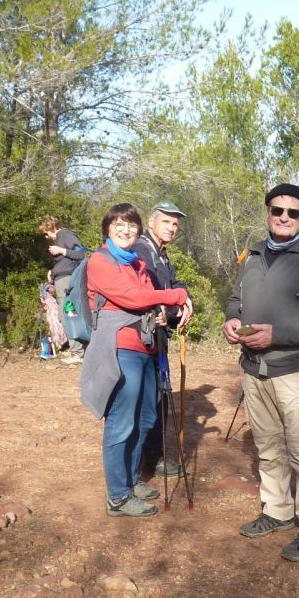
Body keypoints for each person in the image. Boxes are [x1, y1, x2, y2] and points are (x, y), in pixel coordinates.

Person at [223, 183, 299, 562]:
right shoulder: (253, 255)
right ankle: (277, 511)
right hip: (255, 371)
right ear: (267, 212)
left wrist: (278, 334)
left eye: (293, 213)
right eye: (277, 210)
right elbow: (234, 298)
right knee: (269, 448)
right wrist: (232, 319)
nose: (284, 218)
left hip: (296, 373)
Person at [79, 204, 188, 518]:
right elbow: (133, 298)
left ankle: (130, 480)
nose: (126, 230)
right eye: (118, 225)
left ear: (139, 230)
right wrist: (175, 297)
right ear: (108, 229)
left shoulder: (137, 262)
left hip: (147, 347)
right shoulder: (99, 261)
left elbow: (150, 298)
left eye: (131, 225)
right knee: (122, 422)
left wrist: (164, 311)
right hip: (120, 349)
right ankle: (118, 496)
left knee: (145, 419)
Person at [134, 202, 195, 478]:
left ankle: (154, 458)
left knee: (159, 397)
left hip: (158, 338)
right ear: (151, 221)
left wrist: (184, 299)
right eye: (167, 222)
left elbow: (173, 284)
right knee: (144, 402)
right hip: (142, 338)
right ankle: (140, 464)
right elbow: (144, 294)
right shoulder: (141, 250)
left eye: (175, 224)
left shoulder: (161, 253)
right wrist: (172, 308)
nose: (172, 228)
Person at [40, 216, 88, 364]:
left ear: (51, 227)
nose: (46, 237)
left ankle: (78, 353)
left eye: (46, 233)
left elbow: (80, 254)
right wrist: (53, 272)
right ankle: (77, 350)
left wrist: (60, 250)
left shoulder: (66, 235)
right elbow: (66, 262)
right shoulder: (63, 237)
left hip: (67, 281)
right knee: (65, 315)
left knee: (67, 315)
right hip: (62, 280)